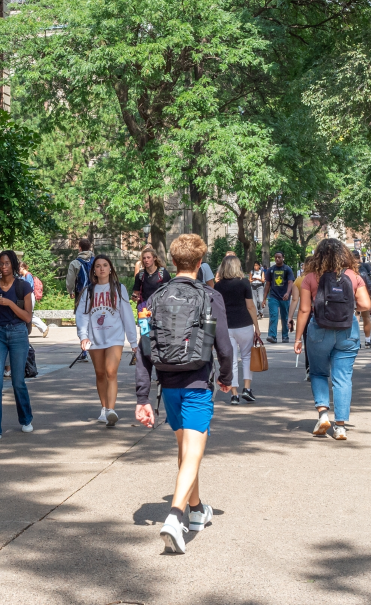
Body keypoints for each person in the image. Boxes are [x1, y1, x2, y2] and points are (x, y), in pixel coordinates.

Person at [135, 234, 232, 554]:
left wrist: (142, 397)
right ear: (201, 264)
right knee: (193, 452)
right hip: (196, 384)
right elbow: (224, 346)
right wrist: (227, 378)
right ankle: (175, 517)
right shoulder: (209, 296)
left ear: (173, 262)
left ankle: (196, 509)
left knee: (185, 449)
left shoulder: (154, 298)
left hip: (167, 384)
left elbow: (144, 347)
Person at [293, 239, 371, 440]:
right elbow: (366, 304)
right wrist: (348, 307)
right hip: (347, 331)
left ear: (318, 256)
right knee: (343, 378)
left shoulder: (310, 278)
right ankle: (341, 426)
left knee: (318, 372)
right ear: (344, 255)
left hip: (319, 330)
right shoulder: (354, 277)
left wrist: (298, 338)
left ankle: (323, 415)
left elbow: (304, 309)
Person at [76, 254, 138, 426]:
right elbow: (82, 316)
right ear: (94, 271)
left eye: (105, 265)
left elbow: (127, 316)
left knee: (111, 372)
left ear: (110, 269)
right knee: (100, 373)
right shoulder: (88, 291)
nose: (102, 268)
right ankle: (104, 409)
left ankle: (111, 410)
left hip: (115, 338)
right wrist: (83, 336)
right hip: (95, 338)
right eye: (98, 266)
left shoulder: (119, 289)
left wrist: (133, 342)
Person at [0, 250, 35, 440]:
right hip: (0, 334)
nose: (3, 267)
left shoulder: (23, 286)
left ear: (13, 264)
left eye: (7, 263)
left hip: (19, 332)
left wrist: (10, 304)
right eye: (1, 264)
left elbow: (28, 316)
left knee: (17, 381)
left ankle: (26, 419)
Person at [215, 255, 261, 403]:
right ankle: (247, 389)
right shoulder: (244, 283)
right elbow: (250, 306)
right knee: (247, 357)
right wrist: (257, 327)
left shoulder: (219, 285)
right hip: (245, 325)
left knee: (232, 359)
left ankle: (234, 394)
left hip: (227, 326)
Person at [66, 239, 94, 363]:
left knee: (82, 321)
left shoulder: (75, 263)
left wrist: (70, 291)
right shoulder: (97, 261)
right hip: (96, 294)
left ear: (80, 248)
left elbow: (70, 280)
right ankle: (97, 347)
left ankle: (84, 350)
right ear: (90, 247)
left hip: (81, 294)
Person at [264, 252, 295, 343]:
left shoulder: (287, 269)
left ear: (283, 258)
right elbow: (267, 284)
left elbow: (290, 282)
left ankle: (285, 336)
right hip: (273, 296)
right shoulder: (271, 270)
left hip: (284, 297)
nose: (277, 259)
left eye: (279, 257)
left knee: (285, 316)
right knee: (274, 315)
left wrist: (288, 293)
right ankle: (272, 336)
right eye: (276, 257)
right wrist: (264, 299)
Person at [131, 245, 171, 311]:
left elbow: (169, 291)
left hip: (159, 308)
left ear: (154, 258)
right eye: (144, 258)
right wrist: (134, 297)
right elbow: (136, 293)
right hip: (144, 308)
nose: (146, 260)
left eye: (148, 257)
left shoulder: (163, 273)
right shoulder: (140, 275)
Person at [19, 260, 51, 338]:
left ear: (22, 267)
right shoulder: (24, 276)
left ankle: (43, 328)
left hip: (29, 296)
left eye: (18, 268)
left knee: (29, 314)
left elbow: (28, 288)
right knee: (28, 314)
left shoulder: (28, 276)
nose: (18, 270)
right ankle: (41, 328)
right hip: (28, 297)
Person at [353, 251, 371, 348]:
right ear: (359, 256)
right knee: (366, 317)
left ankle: (356, 340)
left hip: (353, 293)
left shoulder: (350, 267)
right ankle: (367, 340)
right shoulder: (365, 265)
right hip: (365, 293)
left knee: (356, 316)